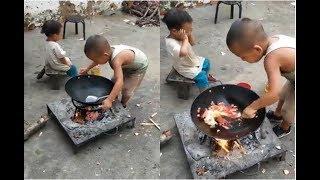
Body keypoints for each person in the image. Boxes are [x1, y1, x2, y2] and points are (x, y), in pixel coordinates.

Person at [226, 18, 295, 137]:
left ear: (257, 49)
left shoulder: (271, 59)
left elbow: (274, 95)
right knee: (283, 94)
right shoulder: (275, 39)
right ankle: (277, 115)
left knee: (289, 109)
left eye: (243, 57)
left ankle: (285, 127)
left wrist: (253, 107)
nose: (242, 60)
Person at [80, 35, 149, 110]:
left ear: (105, 55)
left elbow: (120, 81)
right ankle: (114, 98)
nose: (95, 62)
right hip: (126, 65)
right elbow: (96, 62)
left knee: (127, 90)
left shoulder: (116, 61)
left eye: (96, 60)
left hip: (138, 68)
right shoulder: (106, 51)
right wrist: (87, 69)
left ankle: (123, 105)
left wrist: (109, 100)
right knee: (112, 83)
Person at [162, 8, 216, 92]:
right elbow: (183, 52)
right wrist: (185, 39)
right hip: (184, 67)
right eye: (187, 31)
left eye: (190, 29)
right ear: (174, 31)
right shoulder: (171, 43)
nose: (189, 33)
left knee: (206, 62)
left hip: (191, 60)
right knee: (201, 77)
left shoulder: (182, 36)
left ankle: (204, 77)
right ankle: (204, 92)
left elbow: (193, 43)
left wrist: (189, 34)